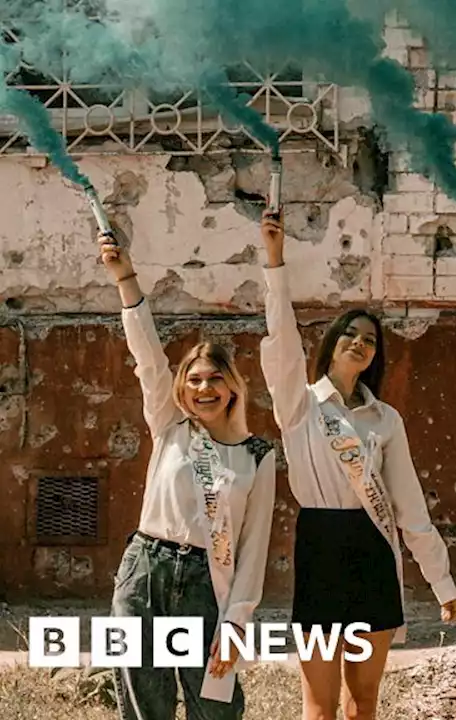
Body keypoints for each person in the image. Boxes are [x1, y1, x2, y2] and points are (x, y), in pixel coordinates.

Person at [256, 212, 456, 720]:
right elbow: (280, 340)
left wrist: (442, 581)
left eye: (369, 339)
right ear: (331, 343)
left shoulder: (385, 420)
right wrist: (275, 263)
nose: (359, 342)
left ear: (375, 355)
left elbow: (409, 505)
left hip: (373, 553)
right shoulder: (299, 405)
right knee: (321, 706)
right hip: (322, 547)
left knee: (363, 704)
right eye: (349, 333)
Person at [100, 232, 276, 719]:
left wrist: (237, 624)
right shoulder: (170, 426)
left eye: (215, 378)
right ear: (182, 388)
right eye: (194, 379)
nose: (204, 387)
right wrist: (125, 279)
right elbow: (148, 359)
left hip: (207, 586)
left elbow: (253, 552)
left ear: (233, 388)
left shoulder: (258, 456)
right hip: (145, 573)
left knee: (214, 708)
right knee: (143, 706)